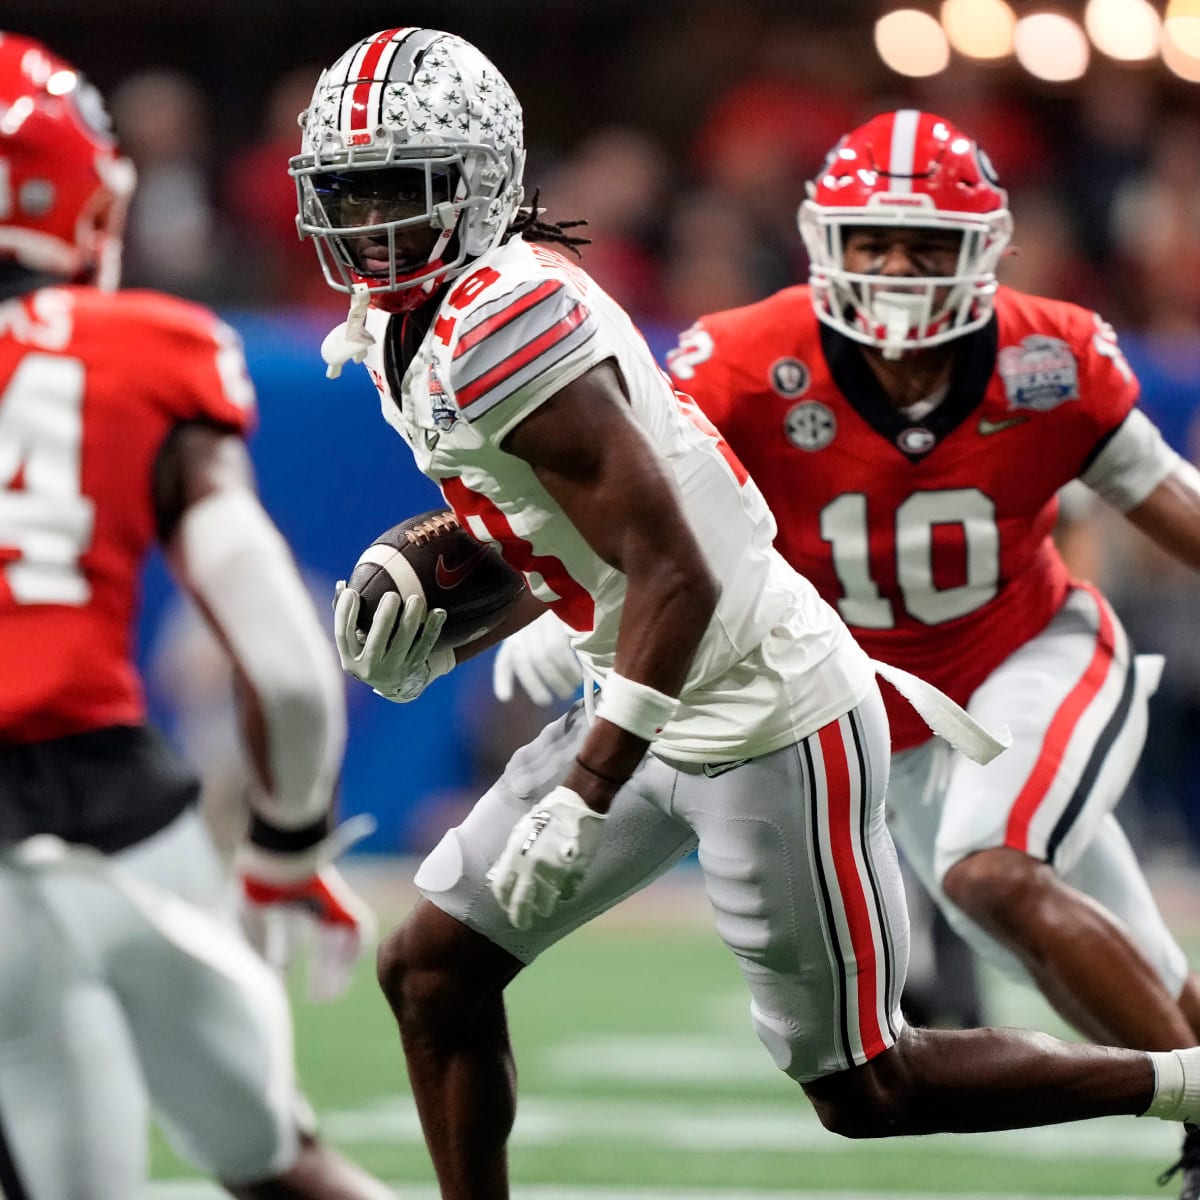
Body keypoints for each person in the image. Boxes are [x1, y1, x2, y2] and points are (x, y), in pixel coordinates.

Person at [293, 31, 1200, 1200]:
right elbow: (598, 509)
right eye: (346, 195)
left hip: (760, 703)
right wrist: (477, 603)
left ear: (477, 186)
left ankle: (1185, 1085)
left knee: (870, 1086)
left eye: (398, 193)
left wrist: (585, 786)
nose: (369, 227)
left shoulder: (502, 324)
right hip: (652, 671)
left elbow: (677, 563)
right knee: (431, 970)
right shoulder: (425, 316)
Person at [653, 109, 1200, 1197]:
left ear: (982, 253)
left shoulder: (1049, 355)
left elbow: (1167, 499)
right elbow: (640, 517)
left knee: (989, 872)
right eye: (873, 243)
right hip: (884, 720)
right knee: (1120, 969)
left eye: (927, 246)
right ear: (826, 243)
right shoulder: (746, 363)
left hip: (1031, 654)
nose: (897, 269)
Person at [0, 33, 394, 1200]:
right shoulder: (149, 348)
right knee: (278, 1163)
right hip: (129, 817)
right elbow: (281, 663)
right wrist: (285, 852)